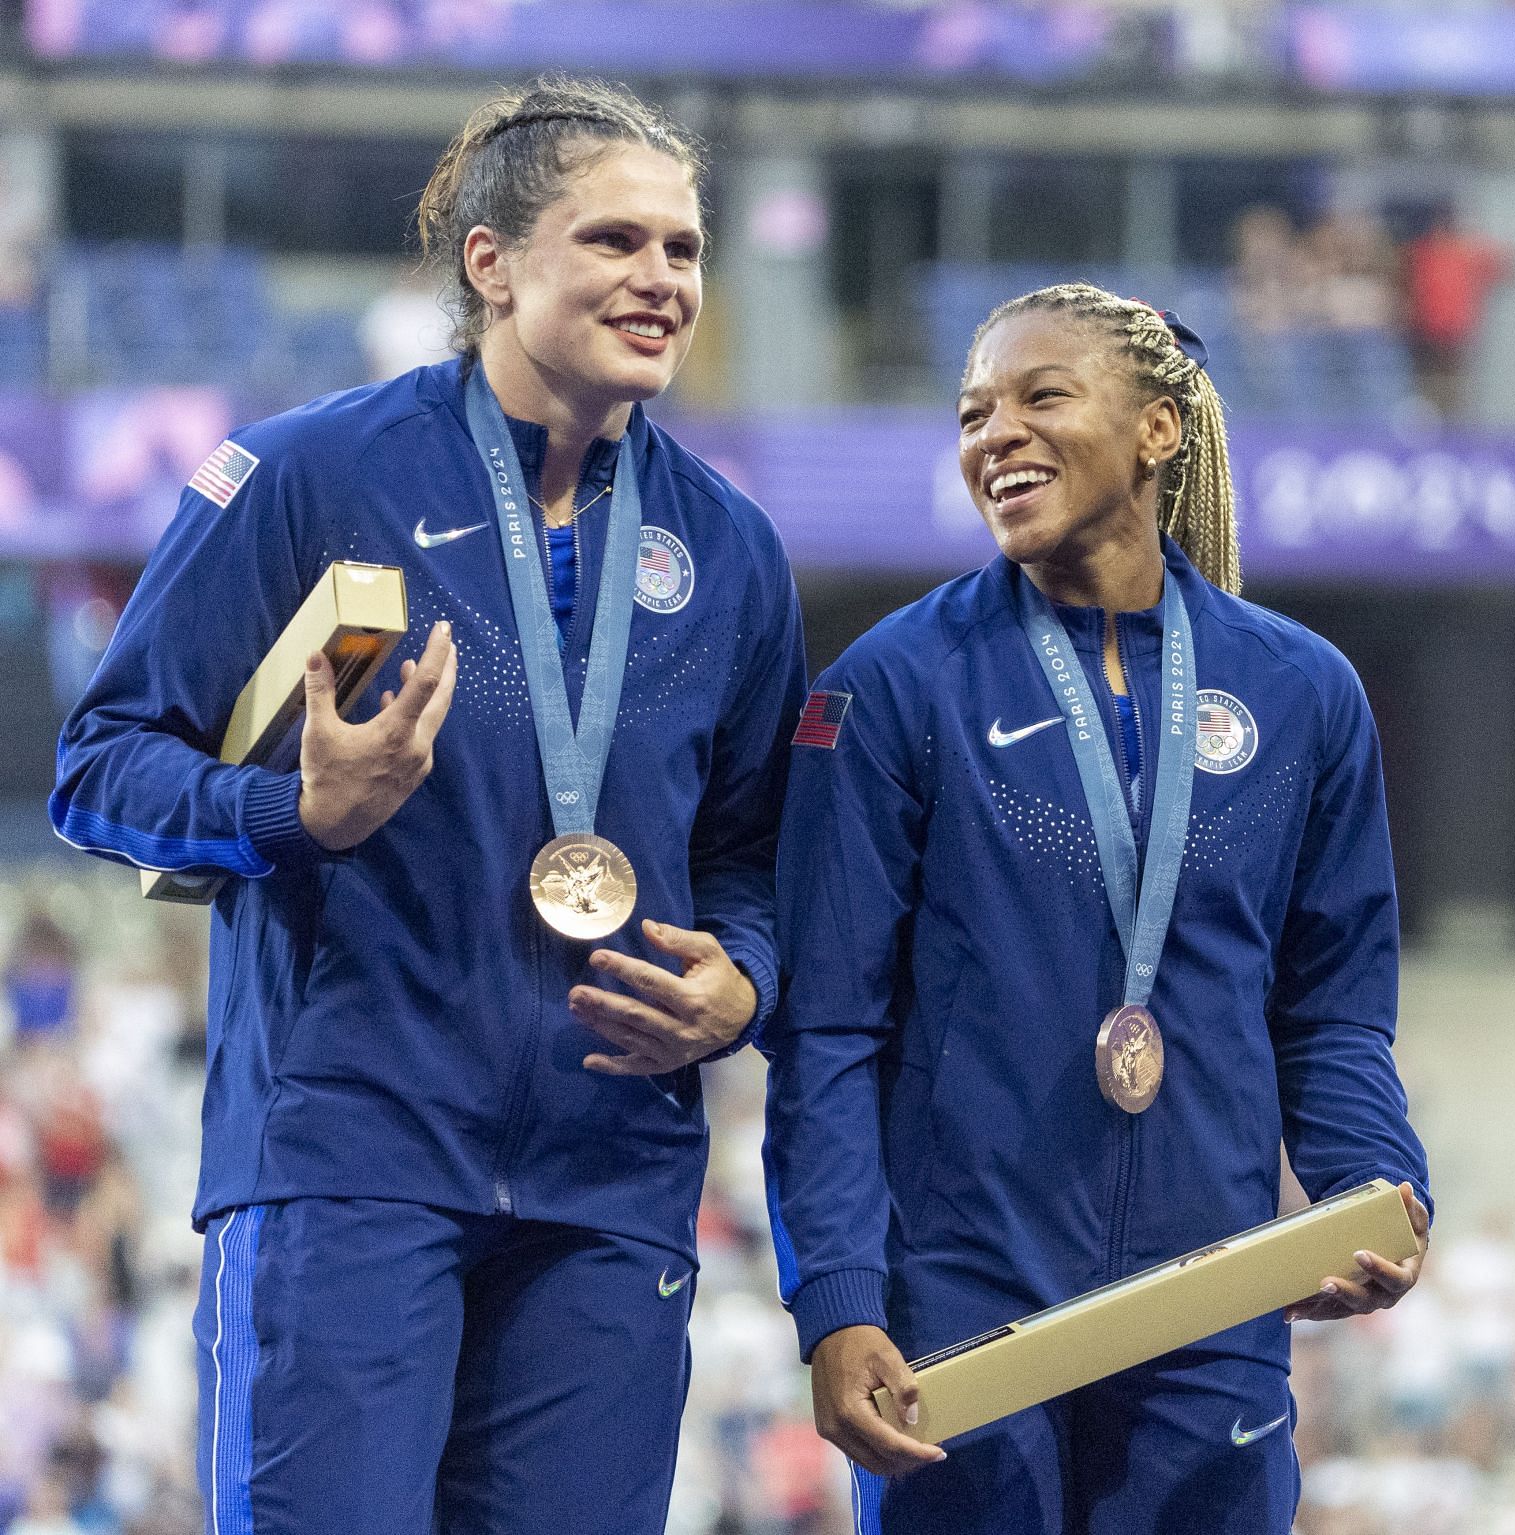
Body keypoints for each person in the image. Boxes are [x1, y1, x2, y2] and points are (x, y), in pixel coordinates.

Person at [49, 75, 806, 1535]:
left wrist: (747, 980)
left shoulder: (731, 551)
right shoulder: (304, 473)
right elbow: (101, 764)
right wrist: (294, 814)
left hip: (609, 1187)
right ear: (493, 260)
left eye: (685, 248)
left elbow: (756, 858)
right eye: (615, 241)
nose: (662, 278)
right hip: (351, 1161)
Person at [763, 282, 1431, 1533]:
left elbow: (1334, 1010)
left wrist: (1371, 1180)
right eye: (972, 414)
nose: (993, 435)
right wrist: (842, 1297)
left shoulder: (1303, 694)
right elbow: (827, 1032)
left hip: (1209, 1302)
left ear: (1158, 432)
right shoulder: (889, 689)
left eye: (1040, 396)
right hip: (968, 1303)